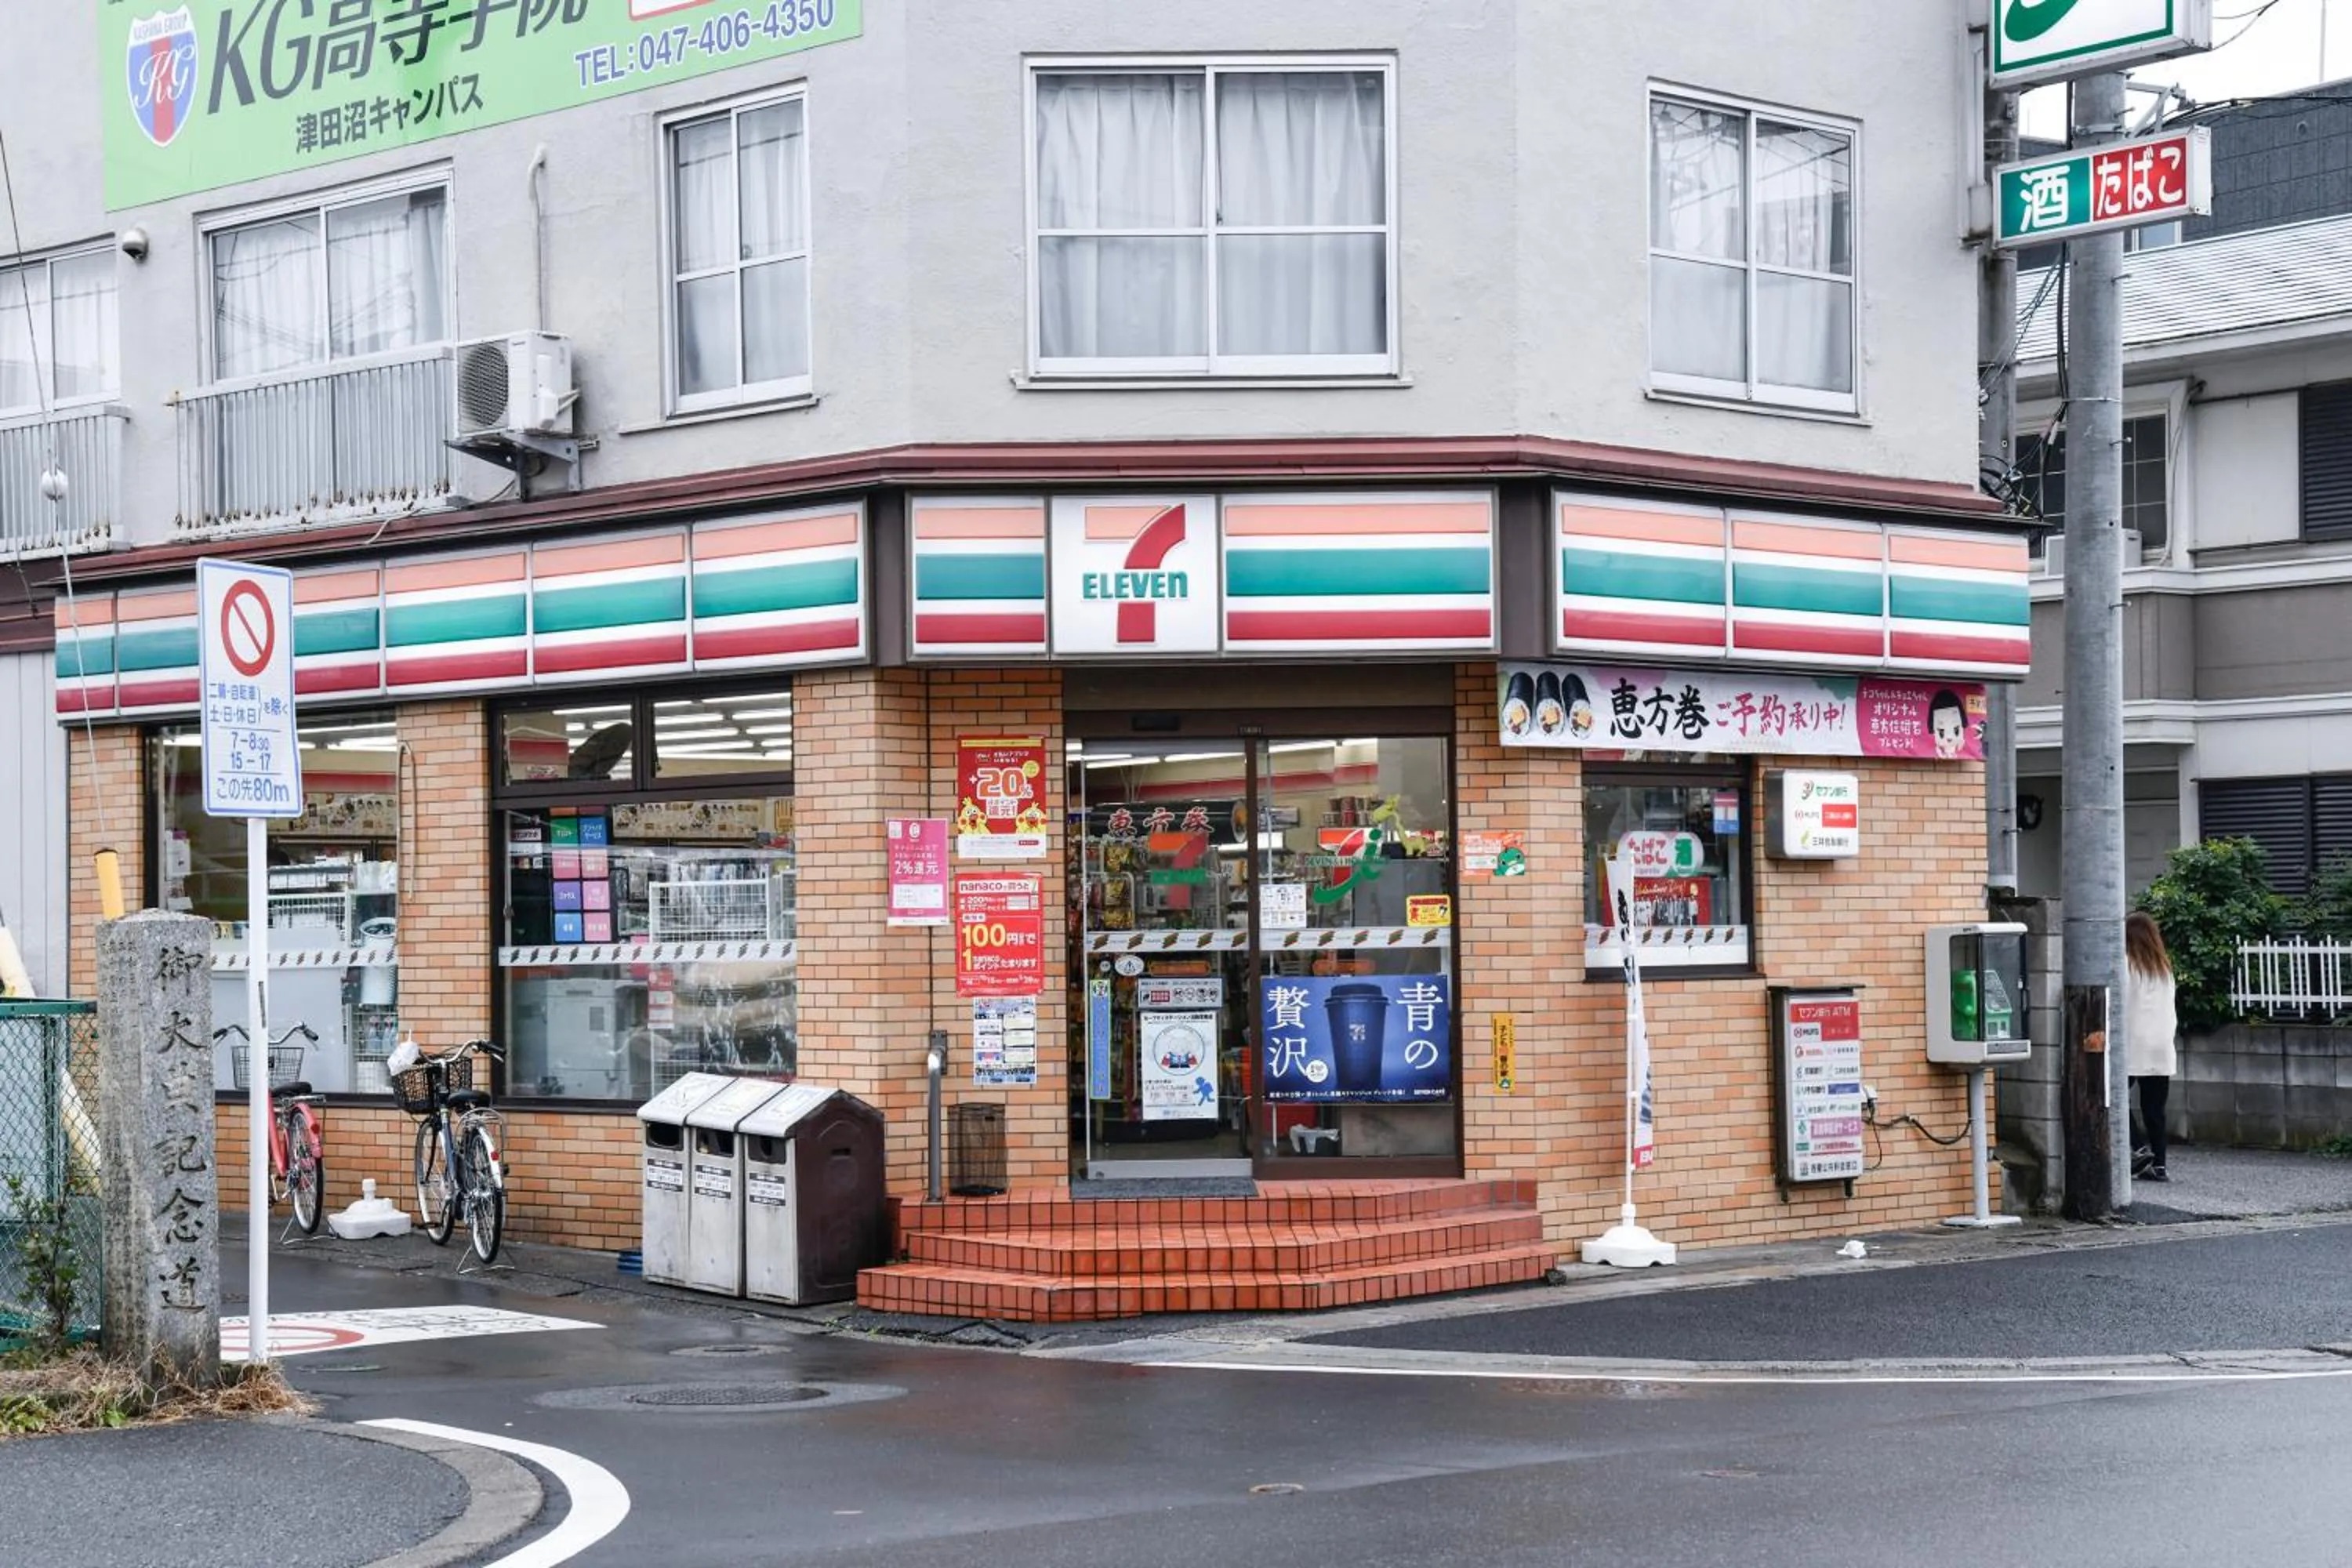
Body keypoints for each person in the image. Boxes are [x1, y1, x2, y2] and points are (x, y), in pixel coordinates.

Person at [2125, 911, 2180, 1182]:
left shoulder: (2125, 964)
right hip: (2161, 1045)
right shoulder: (2164, 968)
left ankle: (2138, 1149)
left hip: (2132, 1042)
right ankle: (2159, 1165)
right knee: (2155, 1109)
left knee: (2115, 1100)